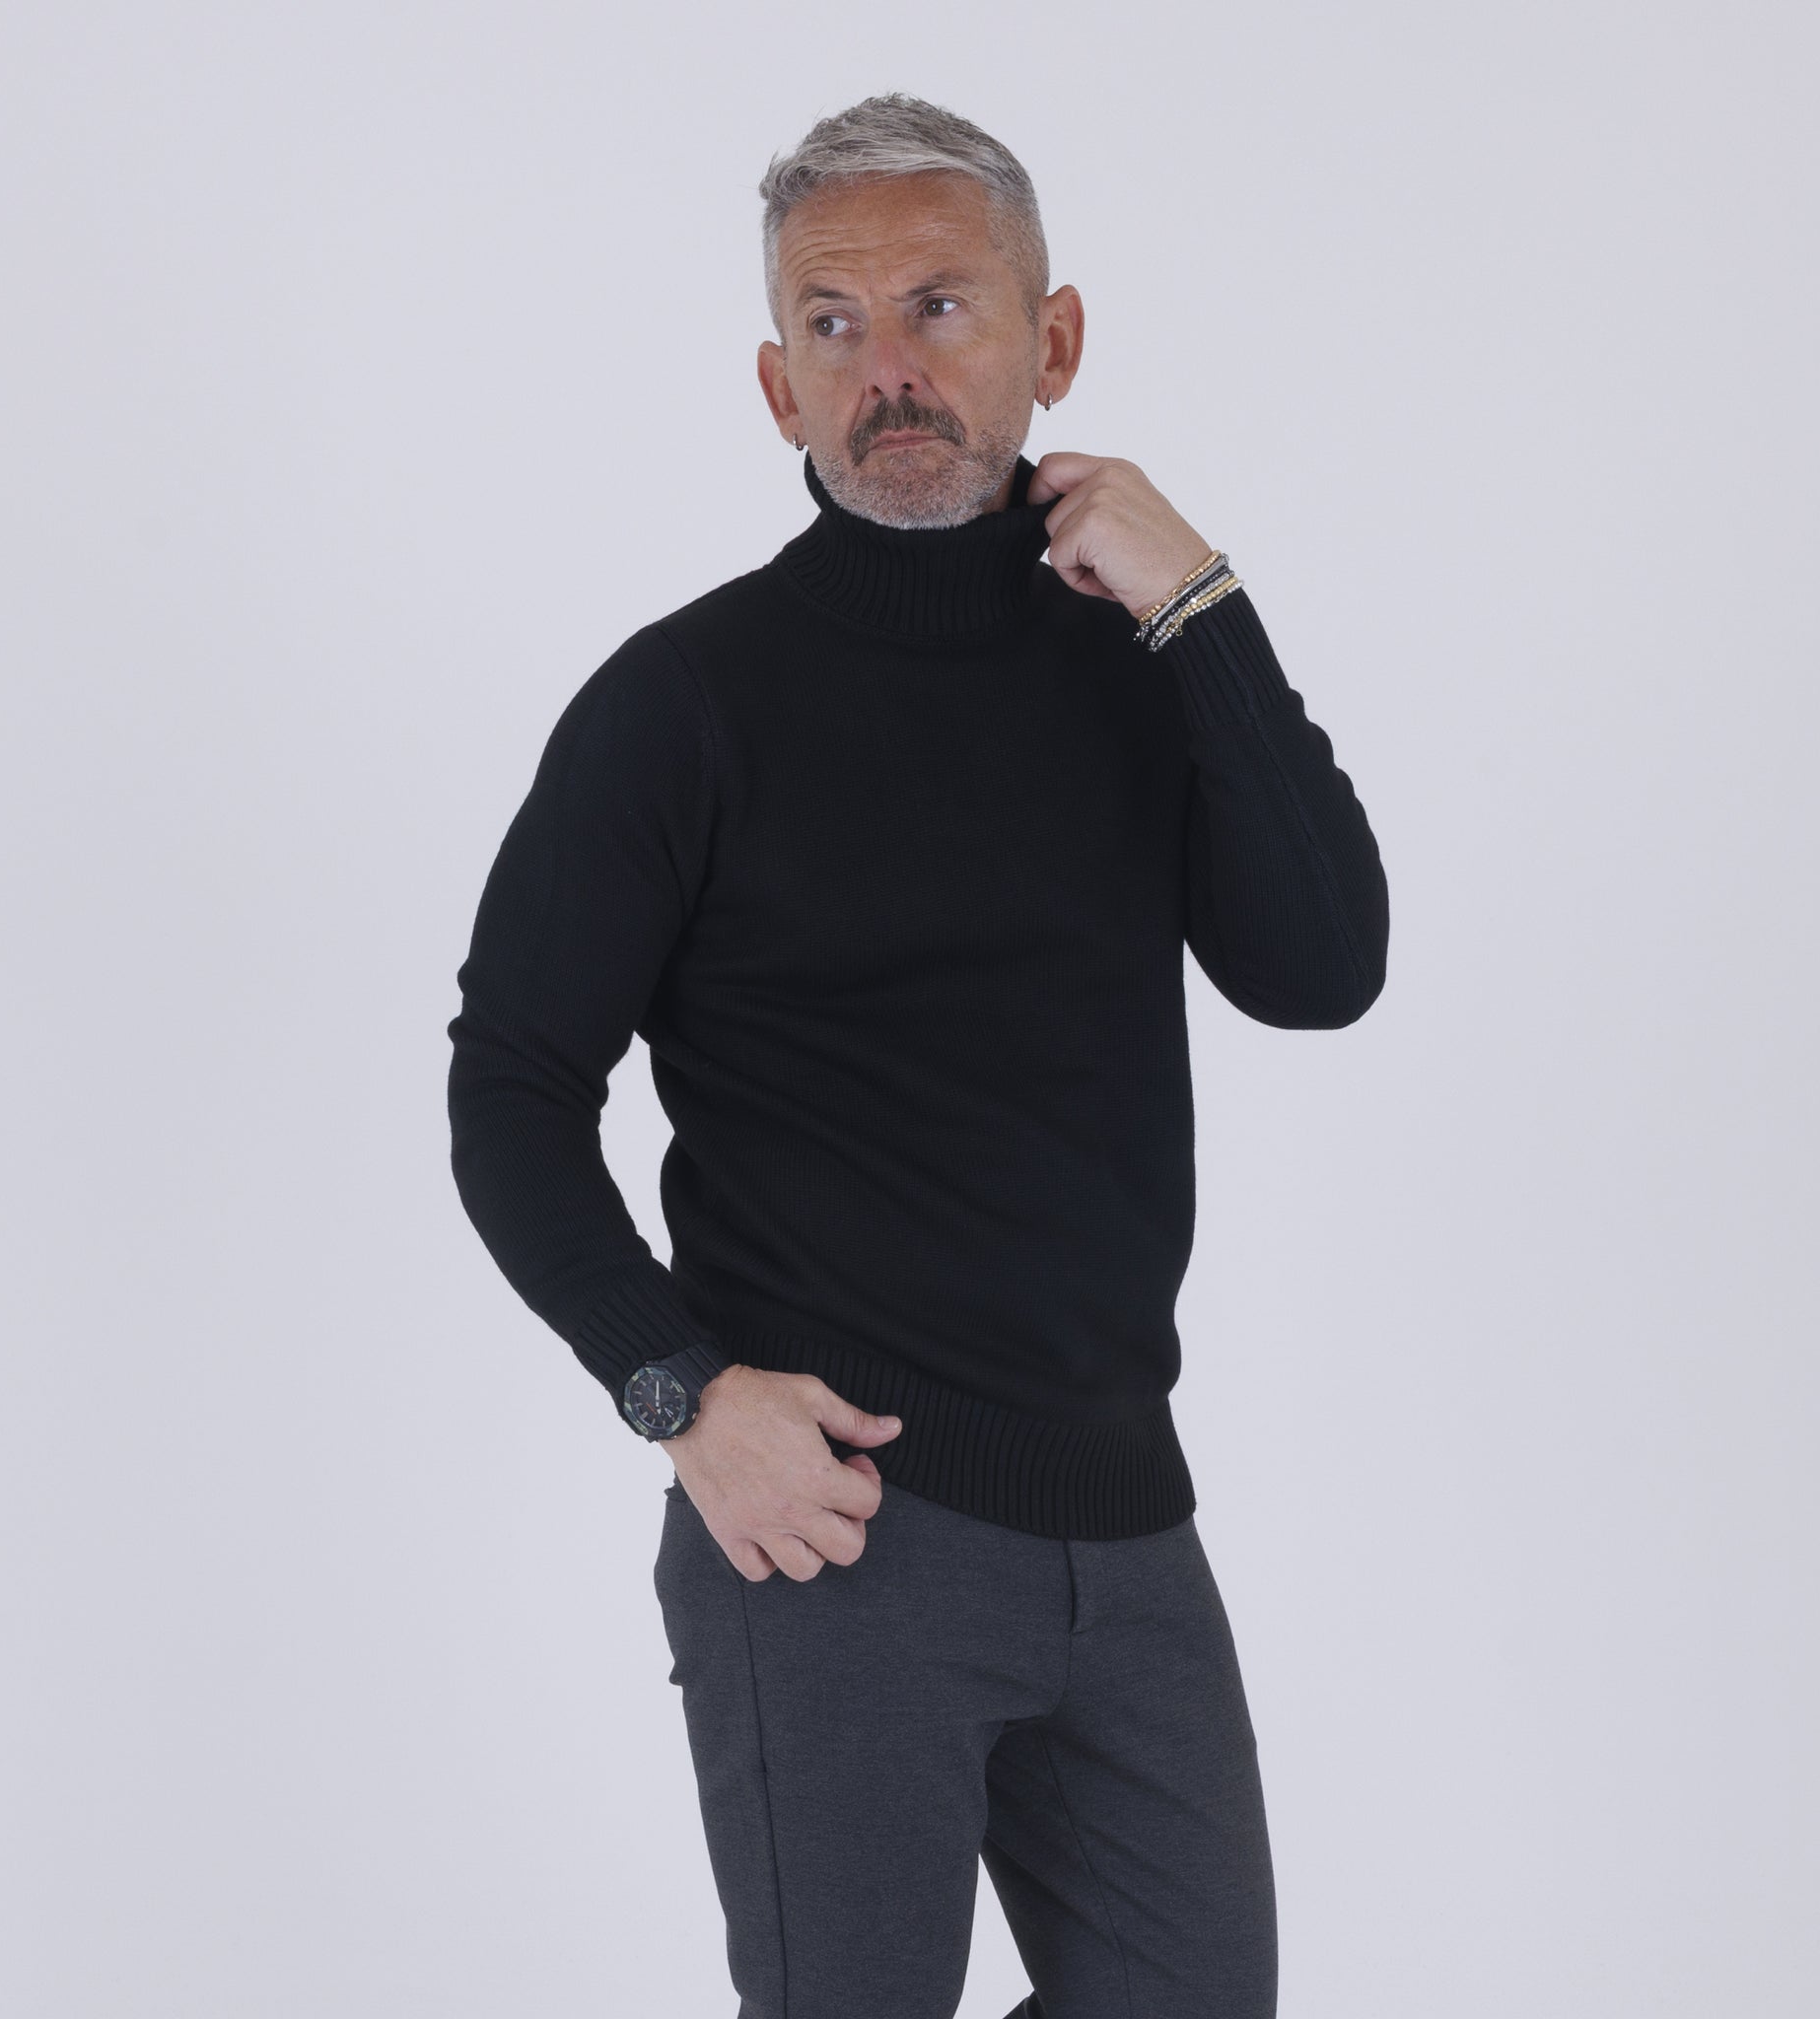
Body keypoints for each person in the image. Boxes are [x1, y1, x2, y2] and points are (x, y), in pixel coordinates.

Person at [446, 90, 1388, 2019]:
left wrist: (1204, 611)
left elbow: (1319, 973)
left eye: (941, 307)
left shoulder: (1144, 666)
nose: (887, 367)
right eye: (832, 322)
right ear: (776, 386)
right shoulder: (683, 707)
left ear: (1054, 341)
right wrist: (676, 1391)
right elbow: (511, 1086)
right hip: (838, 1529)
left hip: (1129, 1516)